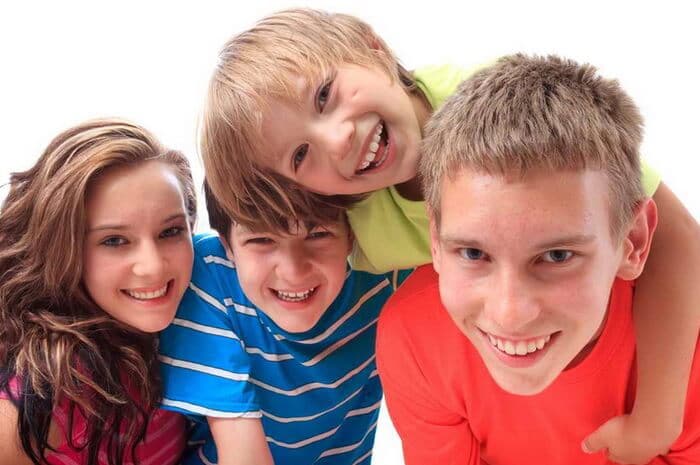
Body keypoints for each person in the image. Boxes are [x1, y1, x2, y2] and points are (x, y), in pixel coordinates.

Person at [199, 9, 700, 462]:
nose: (338, 138)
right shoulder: (354, 221)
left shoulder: (501, 107)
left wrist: (658, 416)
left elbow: (676, 238)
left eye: (325, 95)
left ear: (373, 46)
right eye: (300, 155)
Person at [375, 54, 700, 464]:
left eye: (557, 256)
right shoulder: (413, 338)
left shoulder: (685, 351)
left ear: (633, 242)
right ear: (435, 241)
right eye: (473, 253)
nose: (510, 314)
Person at [157, 181, 410, 465]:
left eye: (318, 233)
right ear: (227, 244)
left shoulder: (386, 273)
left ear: (352, 234)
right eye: (261, 240)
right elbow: (240, 448)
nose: (293, 271)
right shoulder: (207, 276)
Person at [0, 119, 195, 465]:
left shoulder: (192, 316)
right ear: (61, 250)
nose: (152, 267)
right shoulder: (39, 400)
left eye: (171, 231)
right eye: (114, 240)